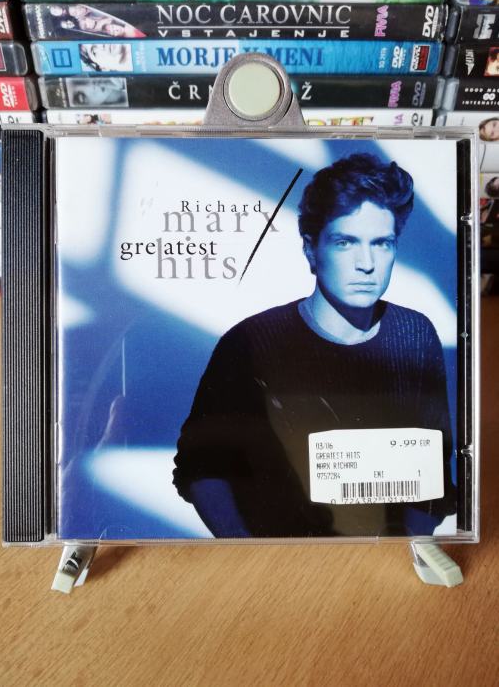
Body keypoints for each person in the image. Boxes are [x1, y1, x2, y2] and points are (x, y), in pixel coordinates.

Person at [173, 153, 456, 538]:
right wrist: (251, 552)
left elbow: (432, 470)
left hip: (382, 553)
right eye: (345, 242)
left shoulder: (415, 334)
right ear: (311, 249)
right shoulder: (250, 342)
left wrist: (407, 547)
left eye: (382, 243)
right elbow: (201, 468)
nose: (367, 263)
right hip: (277, 553)